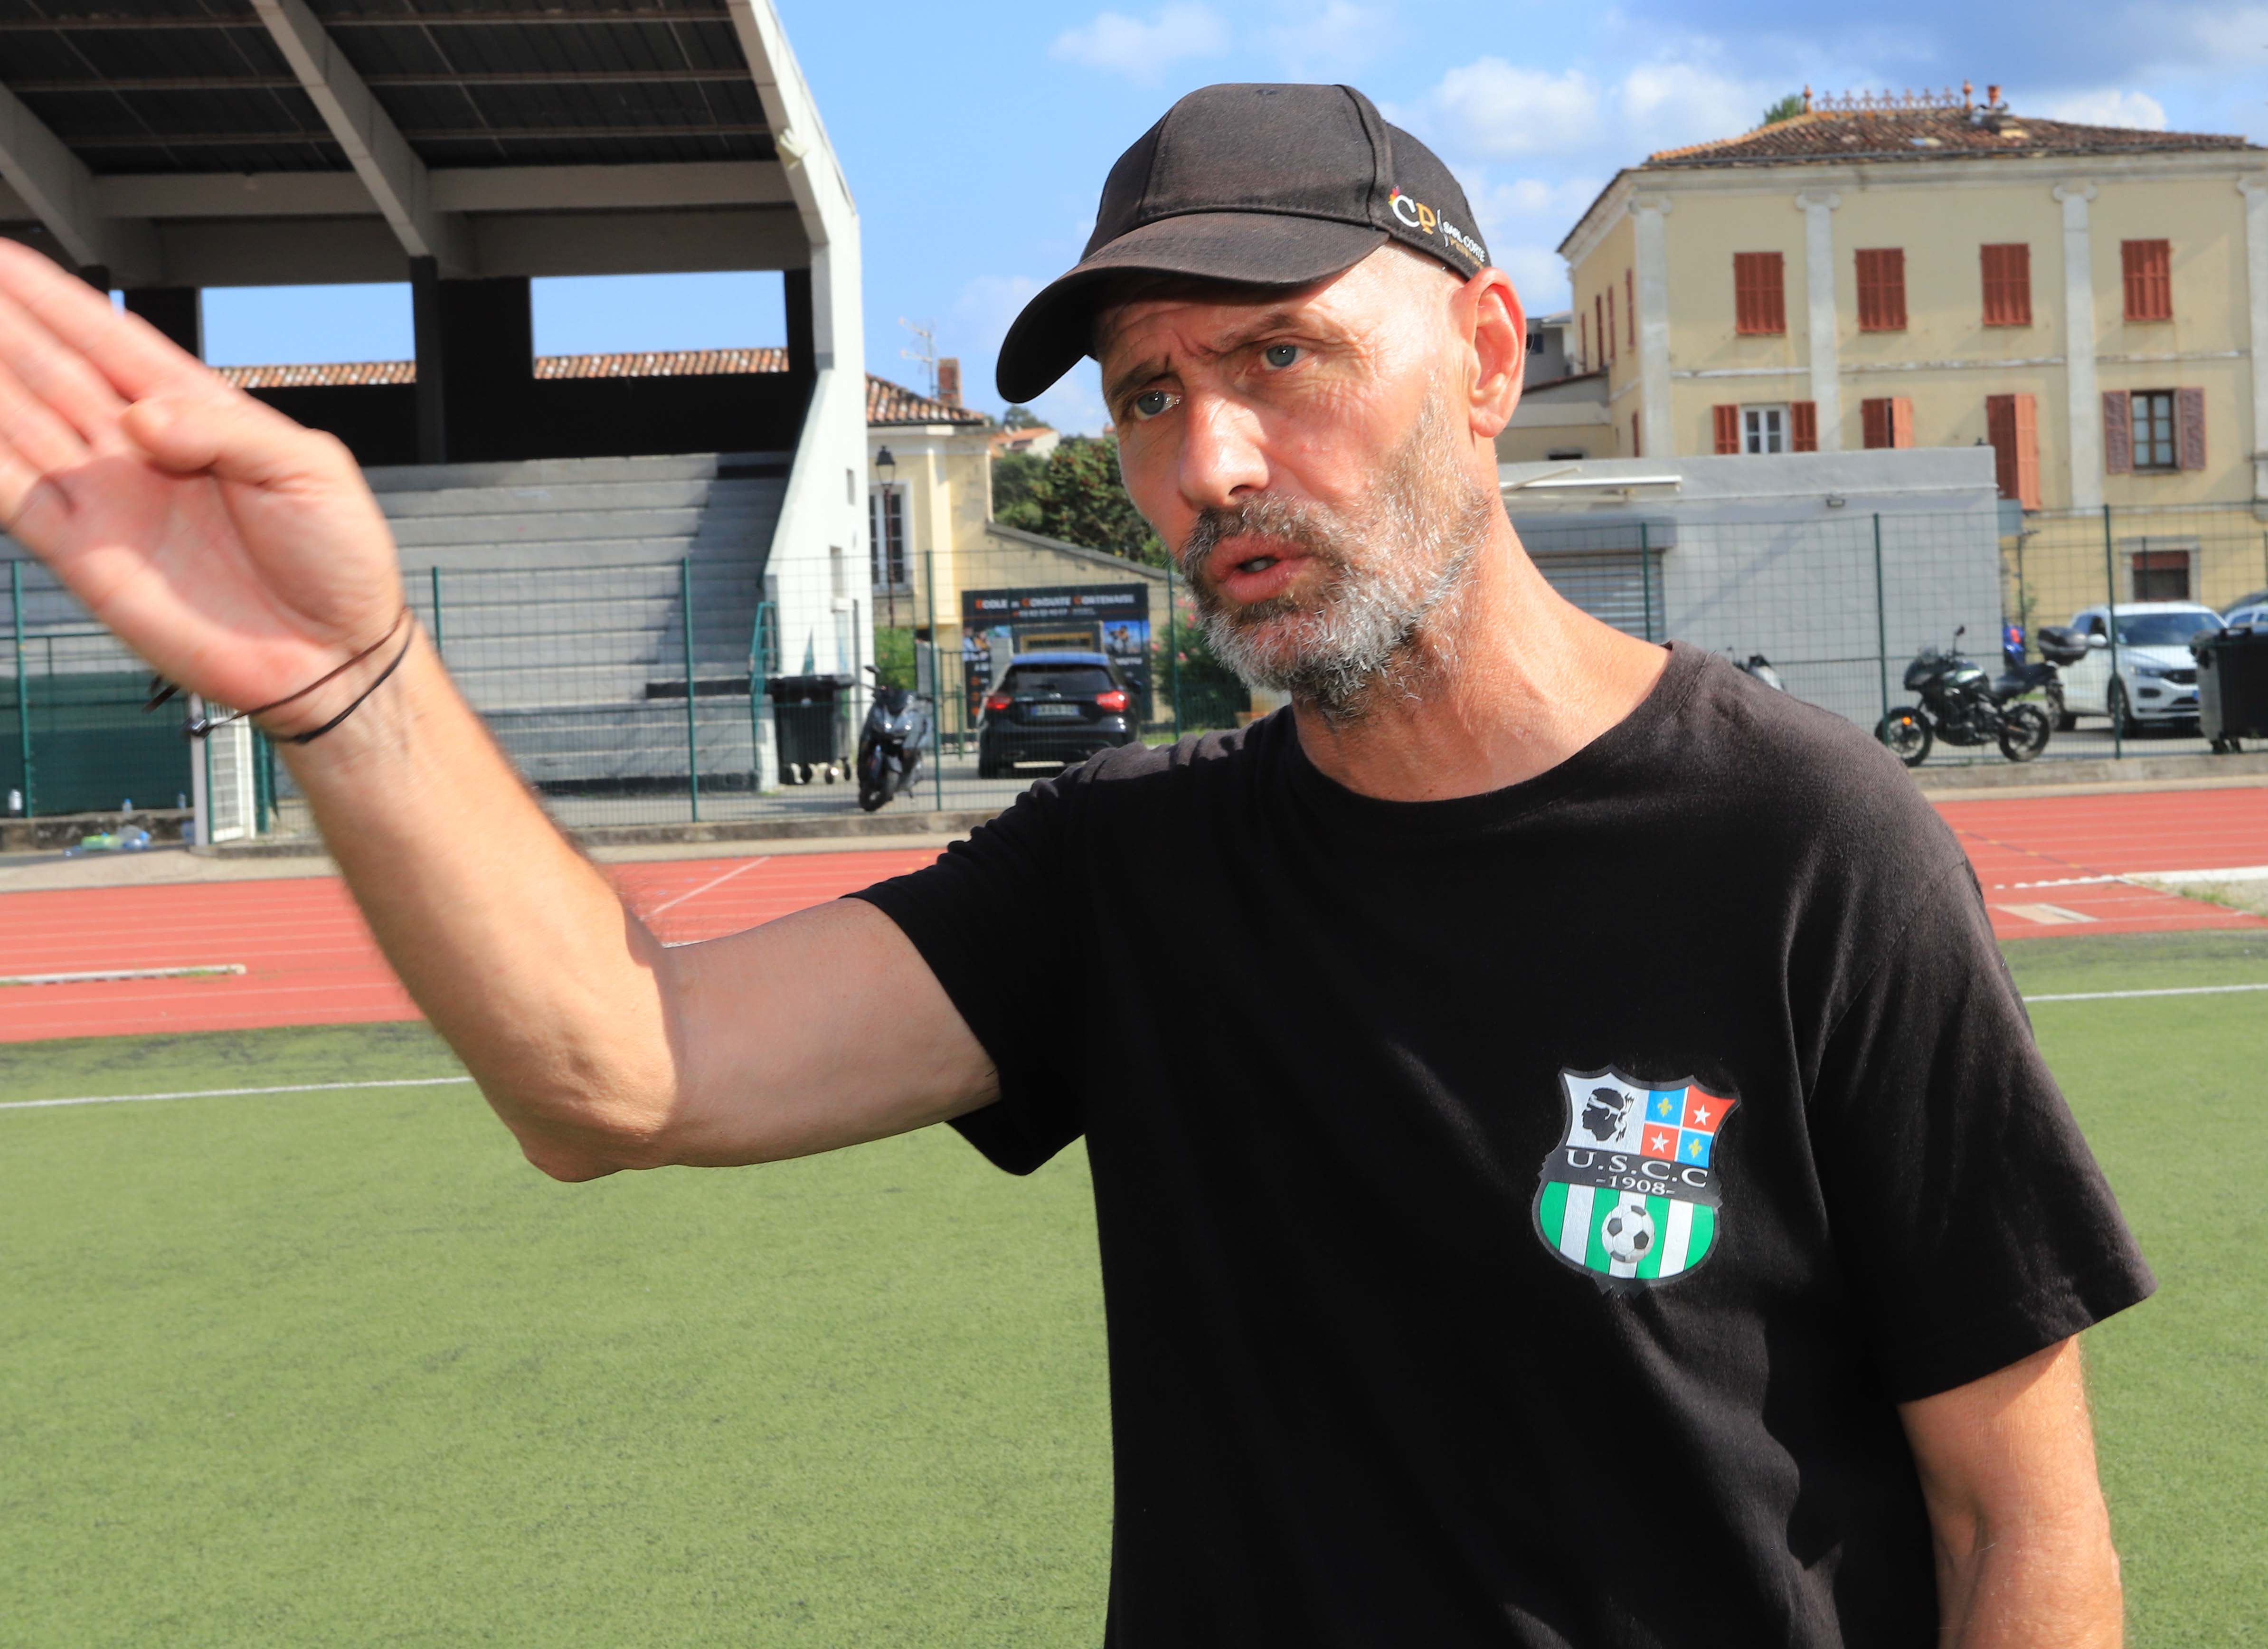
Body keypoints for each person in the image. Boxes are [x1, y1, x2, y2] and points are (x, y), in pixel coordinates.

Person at [0, 81, 2149, 1649]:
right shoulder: (1129, 877)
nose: (1206, 462)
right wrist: (347, 673)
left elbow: (2022, 1534)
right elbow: (617, 1066)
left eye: (1279, 357)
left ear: (1489, 358)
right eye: (1146, 399)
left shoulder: (1802, 845)